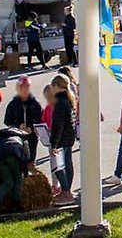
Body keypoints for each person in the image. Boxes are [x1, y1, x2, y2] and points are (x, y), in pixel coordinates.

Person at [50, 74, 77, 206]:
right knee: (67, 164)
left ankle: (66, 191)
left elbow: (57, 125)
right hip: (69, 137)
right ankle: (67, 189)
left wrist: (53, 143)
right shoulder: (69, 100)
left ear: (56, 86)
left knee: (58, 166)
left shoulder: (60, 103)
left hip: (61, 139)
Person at [4, 75, 42, 164]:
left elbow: (40, 119)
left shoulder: (35, 104)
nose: (24, 90)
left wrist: (32, 128)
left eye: (27, 87)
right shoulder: (13, 104)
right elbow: (7, 121)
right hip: (17, 138)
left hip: (32, 137)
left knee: (31, 160)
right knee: (19, 160)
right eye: (22, 88)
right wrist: (18, 127)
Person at [0, 127, 30, 213]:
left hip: (1, 158)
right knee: (17, 181)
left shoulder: (2, 136)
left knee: (7, 183)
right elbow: (27, 156)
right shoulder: (23, 138)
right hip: (16, 156)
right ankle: (15, 204)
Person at [41, 84, 60, 195]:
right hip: (50, 137)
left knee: (60, 163)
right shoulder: (47, 109)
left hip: (58, 138)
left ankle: (61, 184)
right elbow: (43, 120)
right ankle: (55, 184)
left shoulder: (58, 108)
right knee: (53, 162)